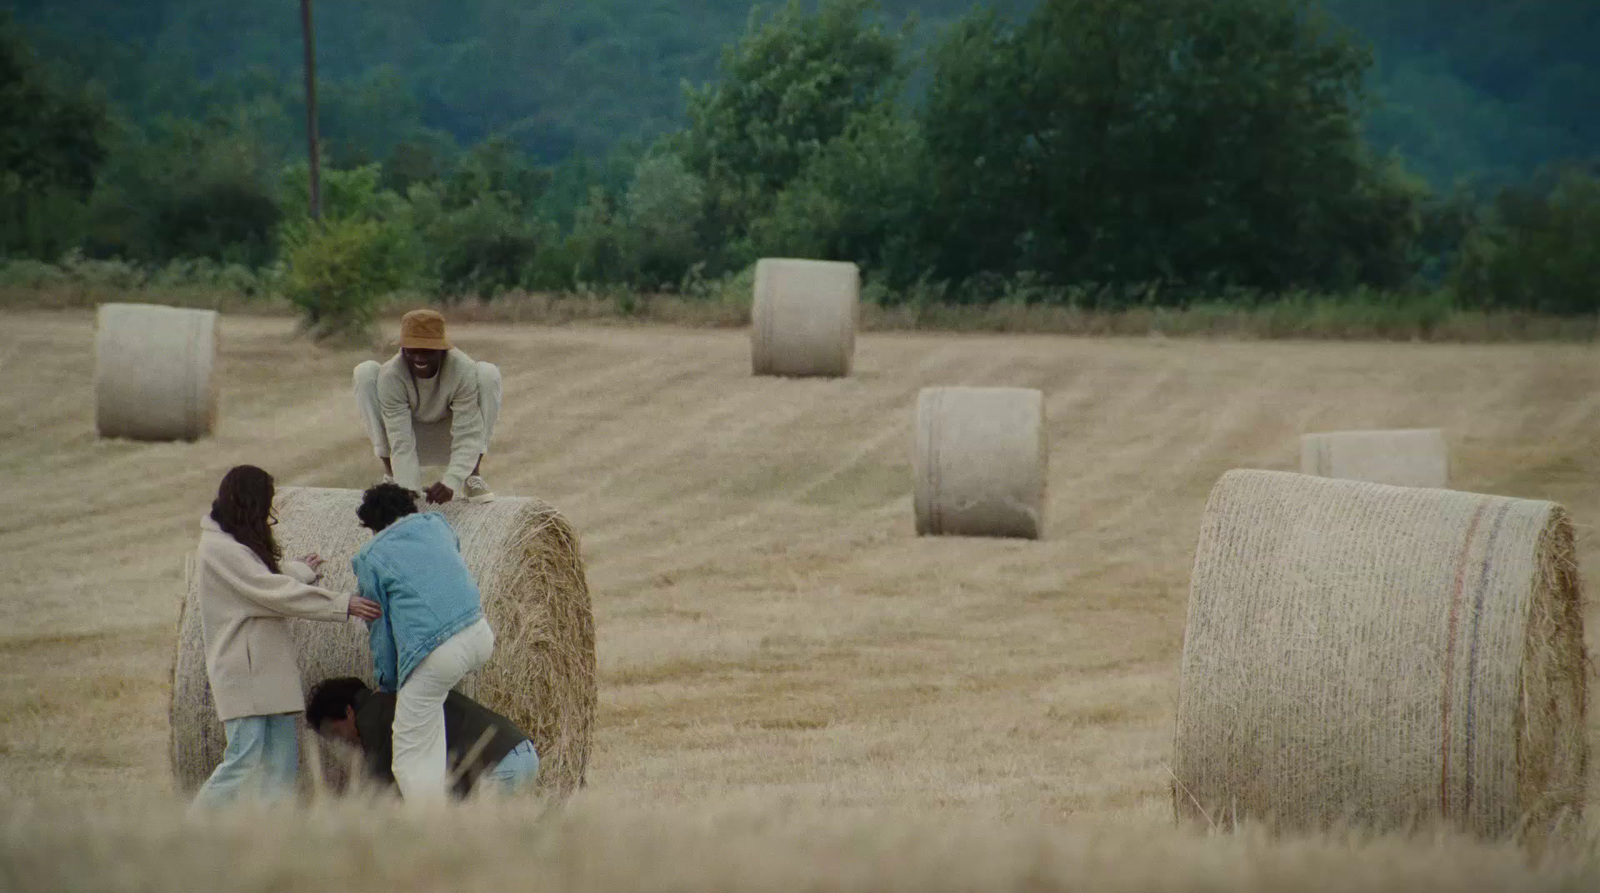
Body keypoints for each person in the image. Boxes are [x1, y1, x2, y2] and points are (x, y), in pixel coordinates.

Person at [191, 465, 382, 808]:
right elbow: (269, 592)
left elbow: (258, 583)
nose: (270, 511)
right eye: (267, 501)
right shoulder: (218, 548)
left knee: (282, 768)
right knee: (242, 761)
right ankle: (191, 829)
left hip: (268, 672)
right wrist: (342, 603)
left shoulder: (232, 544)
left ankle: (271, 837)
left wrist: (296, 570)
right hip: (245, 675)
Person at [352, 481, 496, 803]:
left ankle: (429, 833)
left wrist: (388, 683)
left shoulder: (370, 556)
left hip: (440, 650)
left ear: (372, 524)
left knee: (410, 754)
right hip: (479, 631)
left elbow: (379, 624)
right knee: (427, 719)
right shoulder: (437, 525)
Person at [352, 308, 500, 505]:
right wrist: (407, 492)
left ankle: (472, 476)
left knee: (487, 373)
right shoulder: (391, 375)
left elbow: (467, 432)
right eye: (413, 350)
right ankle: (392, 475)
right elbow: (401, 441)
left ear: (442, 349)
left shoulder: (463, 370)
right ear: (403, 349)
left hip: (451, 438)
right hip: (408, 439)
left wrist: (452, 481)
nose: (420, 358)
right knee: (365, 372)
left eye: (428, 350)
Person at [305, 676, 539, 798]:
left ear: (348, 711)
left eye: (336, 732)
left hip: (499, 766)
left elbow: (383, 792)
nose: (342, 741)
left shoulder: (370, 720)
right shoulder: (389, 700)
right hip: (519, 751)